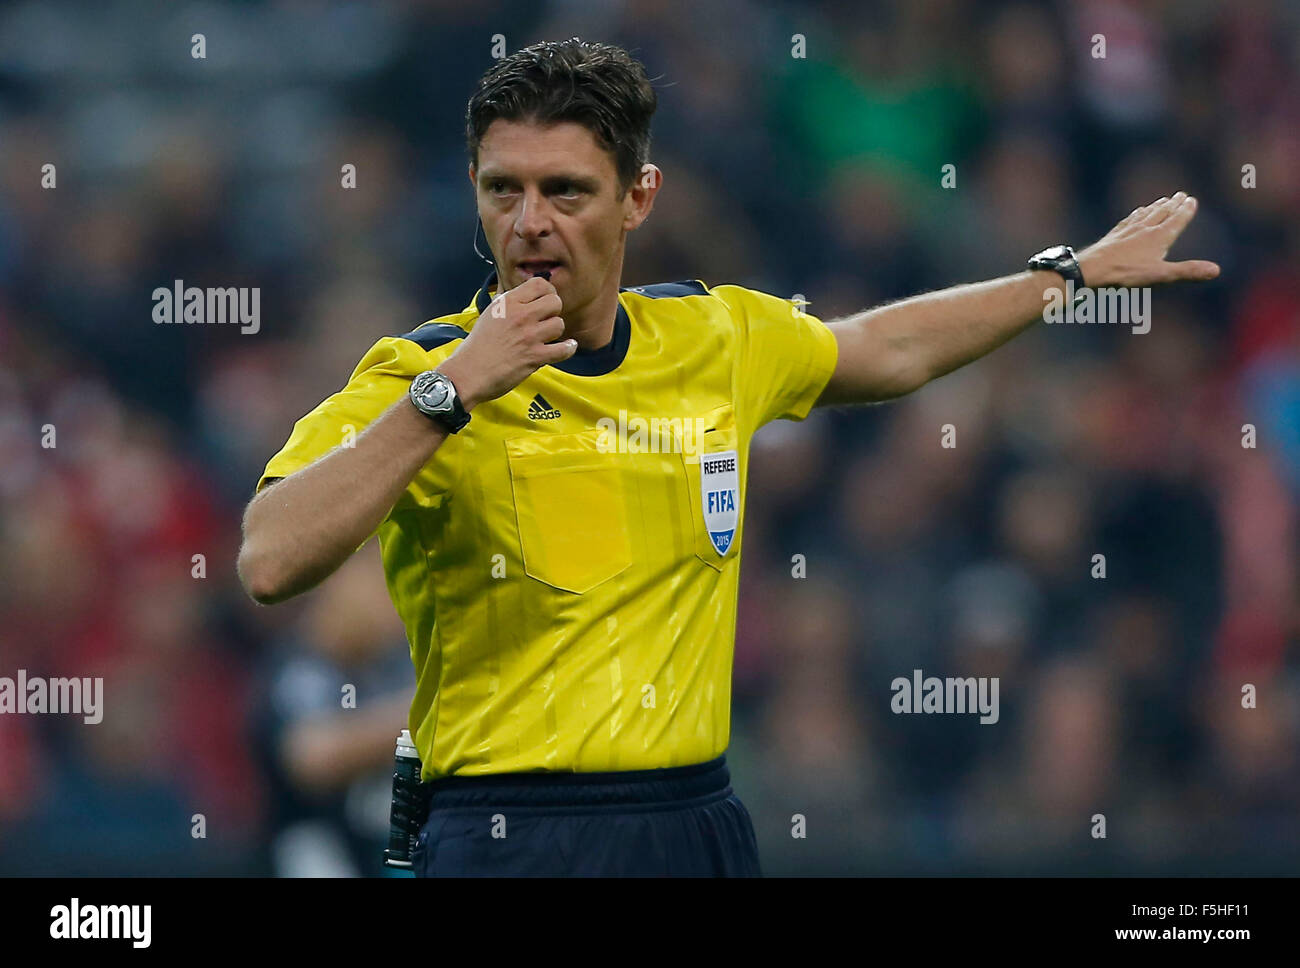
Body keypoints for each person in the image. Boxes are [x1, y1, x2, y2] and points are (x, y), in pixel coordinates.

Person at [236, 38, 1218, 876]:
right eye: (505, 189)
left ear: (637, 197)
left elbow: (883, 346)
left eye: (566, 190)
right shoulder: (417, 371)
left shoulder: (714, 338)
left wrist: (1071, 273)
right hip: (507, 829)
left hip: (694, 821)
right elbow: (271, 558)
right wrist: (454, 389)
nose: (529, 220)